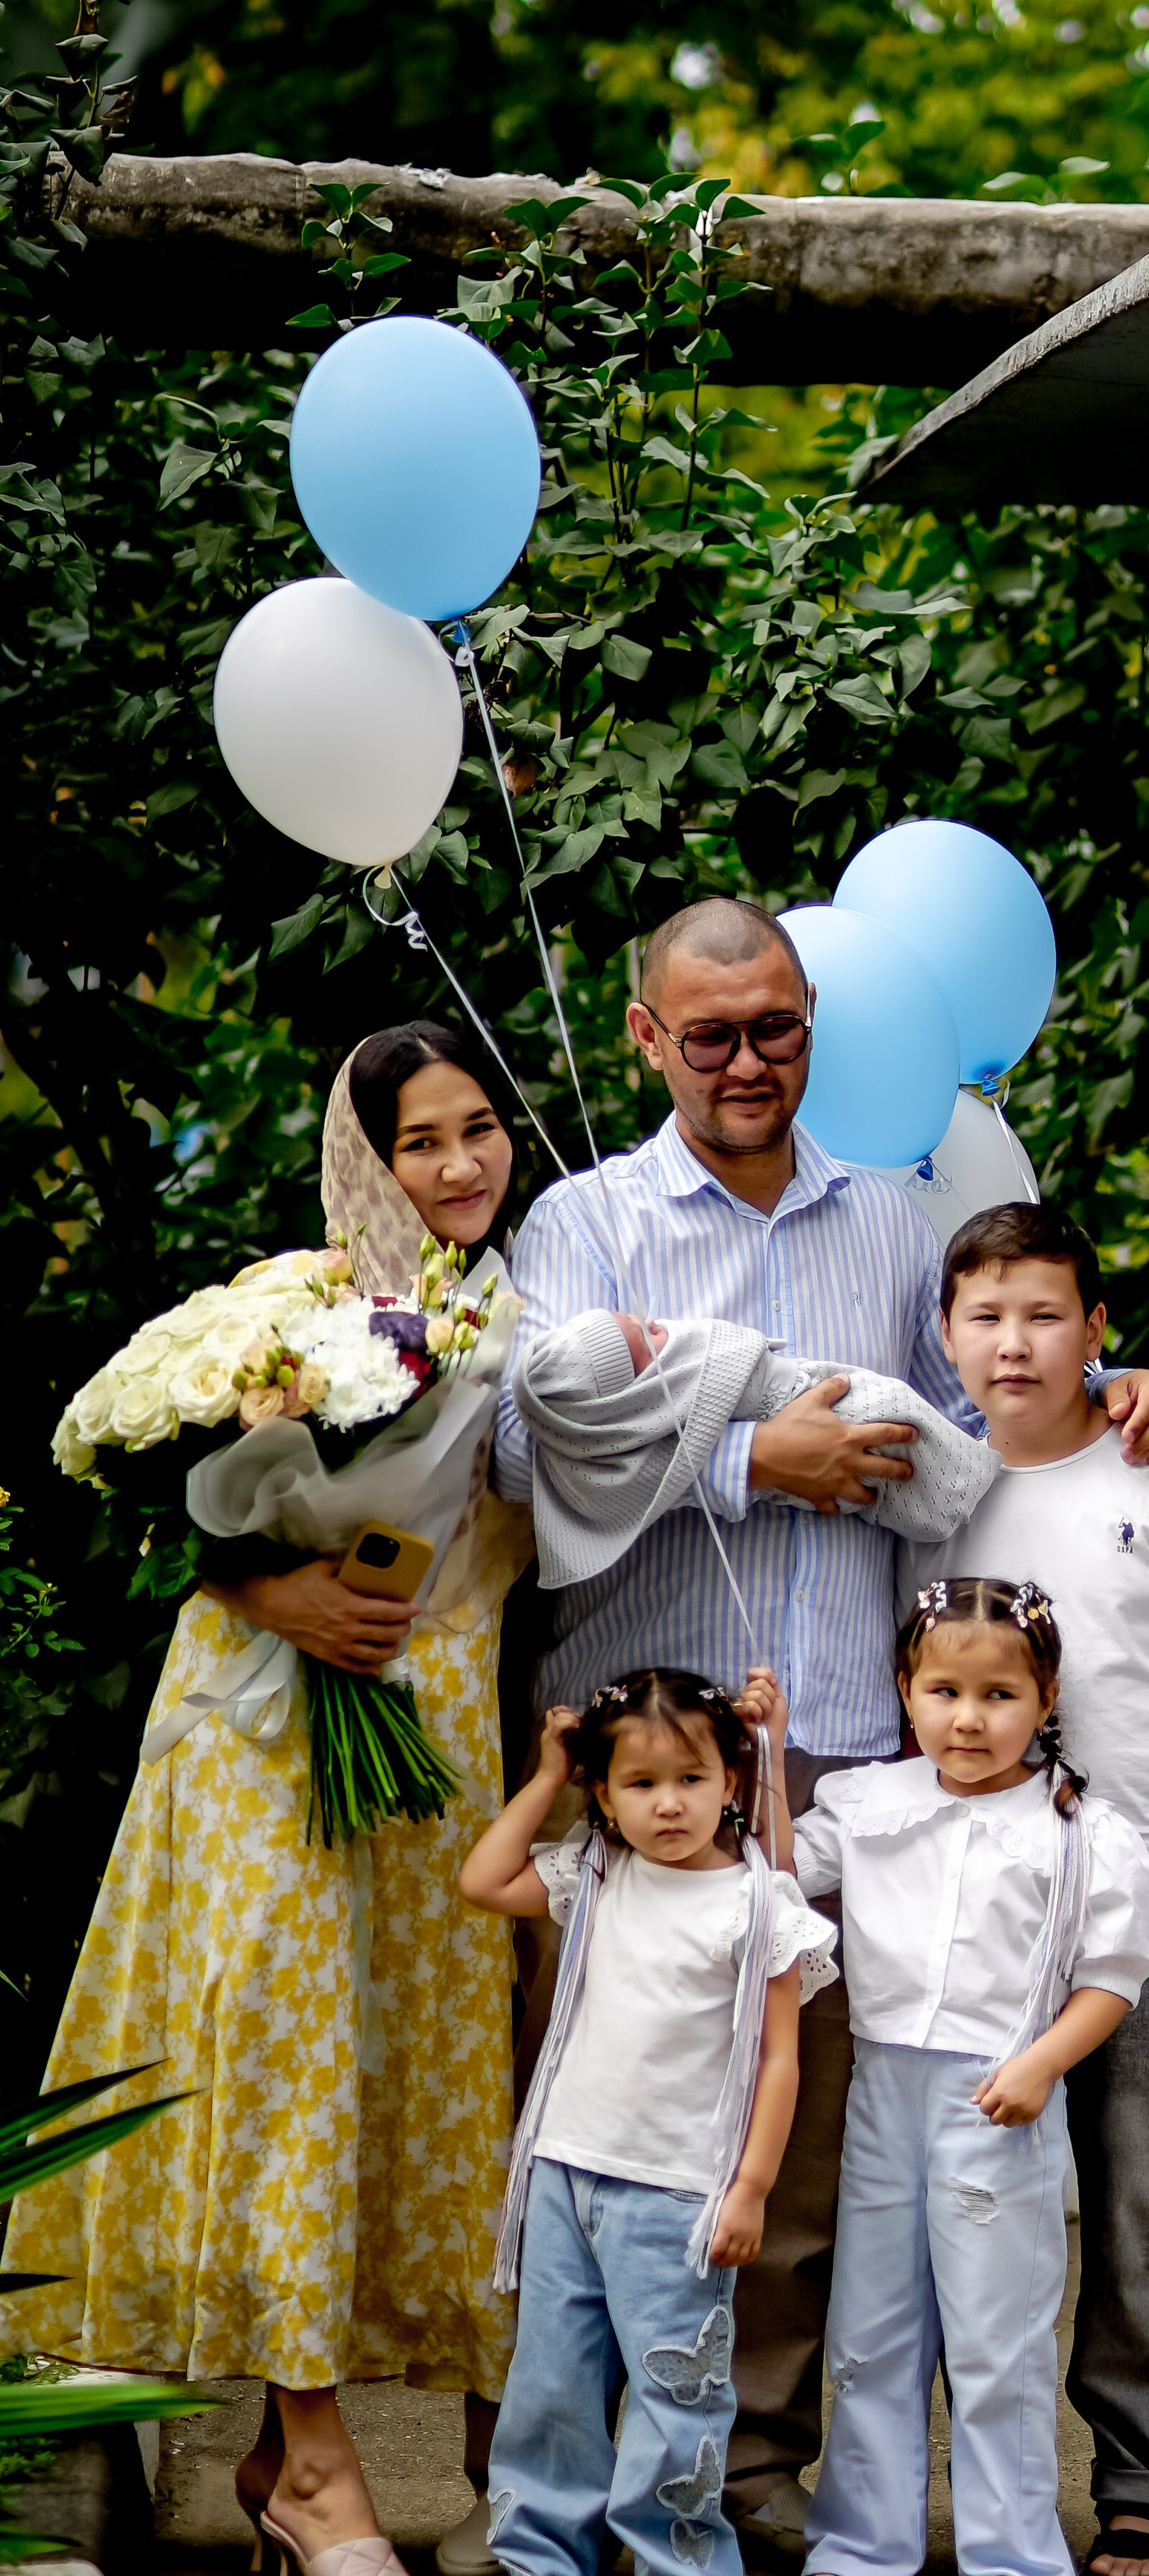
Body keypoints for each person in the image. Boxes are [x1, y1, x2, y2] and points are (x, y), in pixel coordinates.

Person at [492, 893, 1149, 2543]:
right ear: (646, 1038)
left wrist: (1123, 1392)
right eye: (711, 1032)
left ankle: (752, 2478)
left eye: (777, 1025)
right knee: (605, 2114)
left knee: (793, 2148)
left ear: (812, 1021)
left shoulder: (892, 1222)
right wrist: (751, 1458)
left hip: (852, 1760)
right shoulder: (581, 1224)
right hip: (645, 1756)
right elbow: (529, 1452)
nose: (748, 1060)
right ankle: (576, 2478)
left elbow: (981, 1418)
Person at [6, 1022, 536, 2576]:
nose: (459, 1163)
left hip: (430, 1729)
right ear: (365, 1157)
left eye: (477, 1127)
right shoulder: (293, 1313)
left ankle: (273, 2455)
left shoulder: (521, 1318)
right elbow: (189, 1519)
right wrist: (263, 1569)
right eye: (421, 1139)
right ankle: (314, 2462)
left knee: (401, 2082)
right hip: (264, 1730)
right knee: (279, 2062)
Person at [907, 1201, 1149, 2576]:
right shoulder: (927, 1483)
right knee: (979, 2213)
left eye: (1044, 1313)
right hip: (980, 1913)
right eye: (985, 1315)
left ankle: (1144, 2480)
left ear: (1096, 1328)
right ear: (944, 1330)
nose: (1014, 1342)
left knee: (1144, 2209)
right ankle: (994, 2485)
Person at [784, 1576, 1149, 2576]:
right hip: (882, 2095)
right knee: (871, 2328)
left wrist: (1040, 2062)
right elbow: (770, 1873)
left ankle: (1010, 2551)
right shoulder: (864, 1802)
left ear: (1044, 1698)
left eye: (998, 1695)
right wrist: (755, 1748)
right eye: (943, 1689)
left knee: (997, 2339)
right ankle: (863, 2543)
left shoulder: (1077, 1830)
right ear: (905, 1687)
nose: (968, 1717)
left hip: (998, 2098)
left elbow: (1109, 1974)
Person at [457, 1662, 834, 2576]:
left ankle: (677, 2560)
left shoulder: (755, 1902)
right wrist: (547, 1772)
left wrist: (748, 2189)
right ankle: (542, 2555)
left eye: (691, 1779)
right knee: (550, 2385)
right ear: (604, 1792)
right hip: (564, 2174)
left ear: (730, 1783)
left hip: (677, 2195)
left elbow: (780, 2058)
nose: (668, 1804)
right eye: (641, 1783)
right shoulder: (593, 1875)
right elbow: (480, 1879)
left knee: (676, 2398)